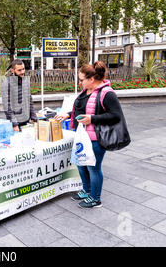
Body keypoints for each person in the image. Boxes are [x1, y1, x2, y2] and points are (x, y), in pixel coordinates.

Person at [54, 61, 125, 209]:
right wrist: (68, 115)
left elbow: (116, 115)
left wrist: (92, 119)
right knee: (81, 165)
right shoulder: (86, 91)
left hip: (96, 138)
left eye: (81, 80)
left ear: (91, 79)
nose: (80, 83)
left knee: (93, 168)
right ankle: (86, 191)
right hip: (82, 136)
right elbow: (81, 110)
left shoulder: (107, 93)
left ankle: (95, 199)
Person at [1, 59, 37, 131]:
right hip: (16, 124)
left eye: (23, 69)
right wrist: (14, 124)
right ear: (12, 71)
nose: (22, 72)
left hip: (27, 121)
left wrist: (34, 117)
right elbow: (7, 106)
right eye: (19, 70)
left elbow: (29, 100)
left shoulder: (26, 81)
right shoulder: (6, 83)